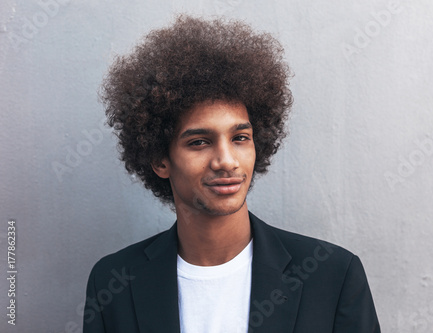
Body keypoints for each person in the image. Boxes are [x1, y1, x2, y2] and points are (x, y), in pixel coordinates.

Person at [83, 15, 380, 333]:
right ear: (160, 160)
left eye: (240, 138)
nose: (226, 161)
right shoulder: (115, 282)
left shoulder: (333, 276)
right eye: (199, 142)